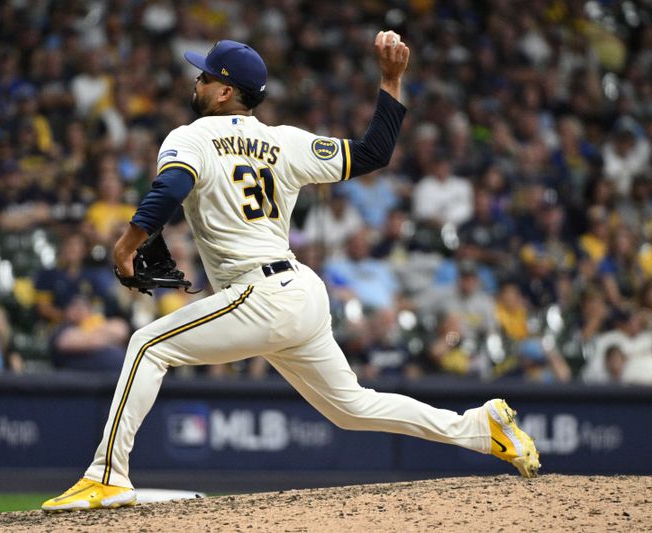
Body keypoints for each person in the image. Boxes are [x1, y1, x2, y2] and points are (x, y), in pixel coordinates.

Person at [43, 32, 539, 512]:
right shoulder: (286, 142)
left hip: (259, 293)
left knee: (147, 345)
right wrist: (390, 82)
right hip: (300, 292)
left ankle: (106, 475)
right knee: (352, 408)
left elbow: (172, 185)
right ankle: (479, 428)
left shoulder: (190, 136)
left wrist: (130, 241)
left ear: (224, 90)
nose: (194, 82)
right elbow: (374, 154)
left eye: (203, 76)